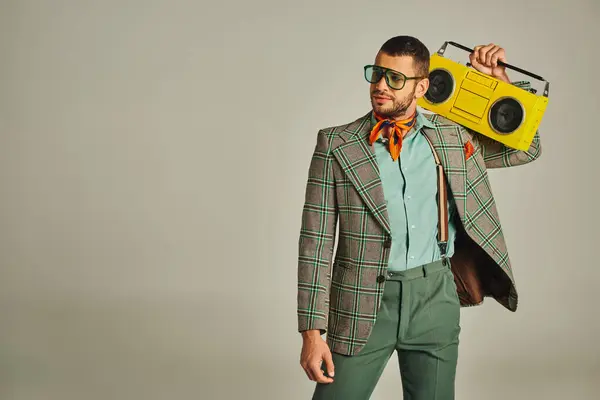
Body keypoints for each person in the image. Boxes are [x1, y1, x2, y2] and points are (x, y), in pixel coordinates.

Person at [296, 35, 542, 400]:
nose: (380, 85)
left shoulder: (451, 139)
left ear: (422, 87)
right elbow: (315, 243)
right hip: (362, 302)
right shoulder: (336, 144)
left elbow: (527, 148)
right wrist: (312, 334)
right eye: (377, 73)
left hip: (434, 298)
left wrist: (499, 86)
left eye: (395, 78)